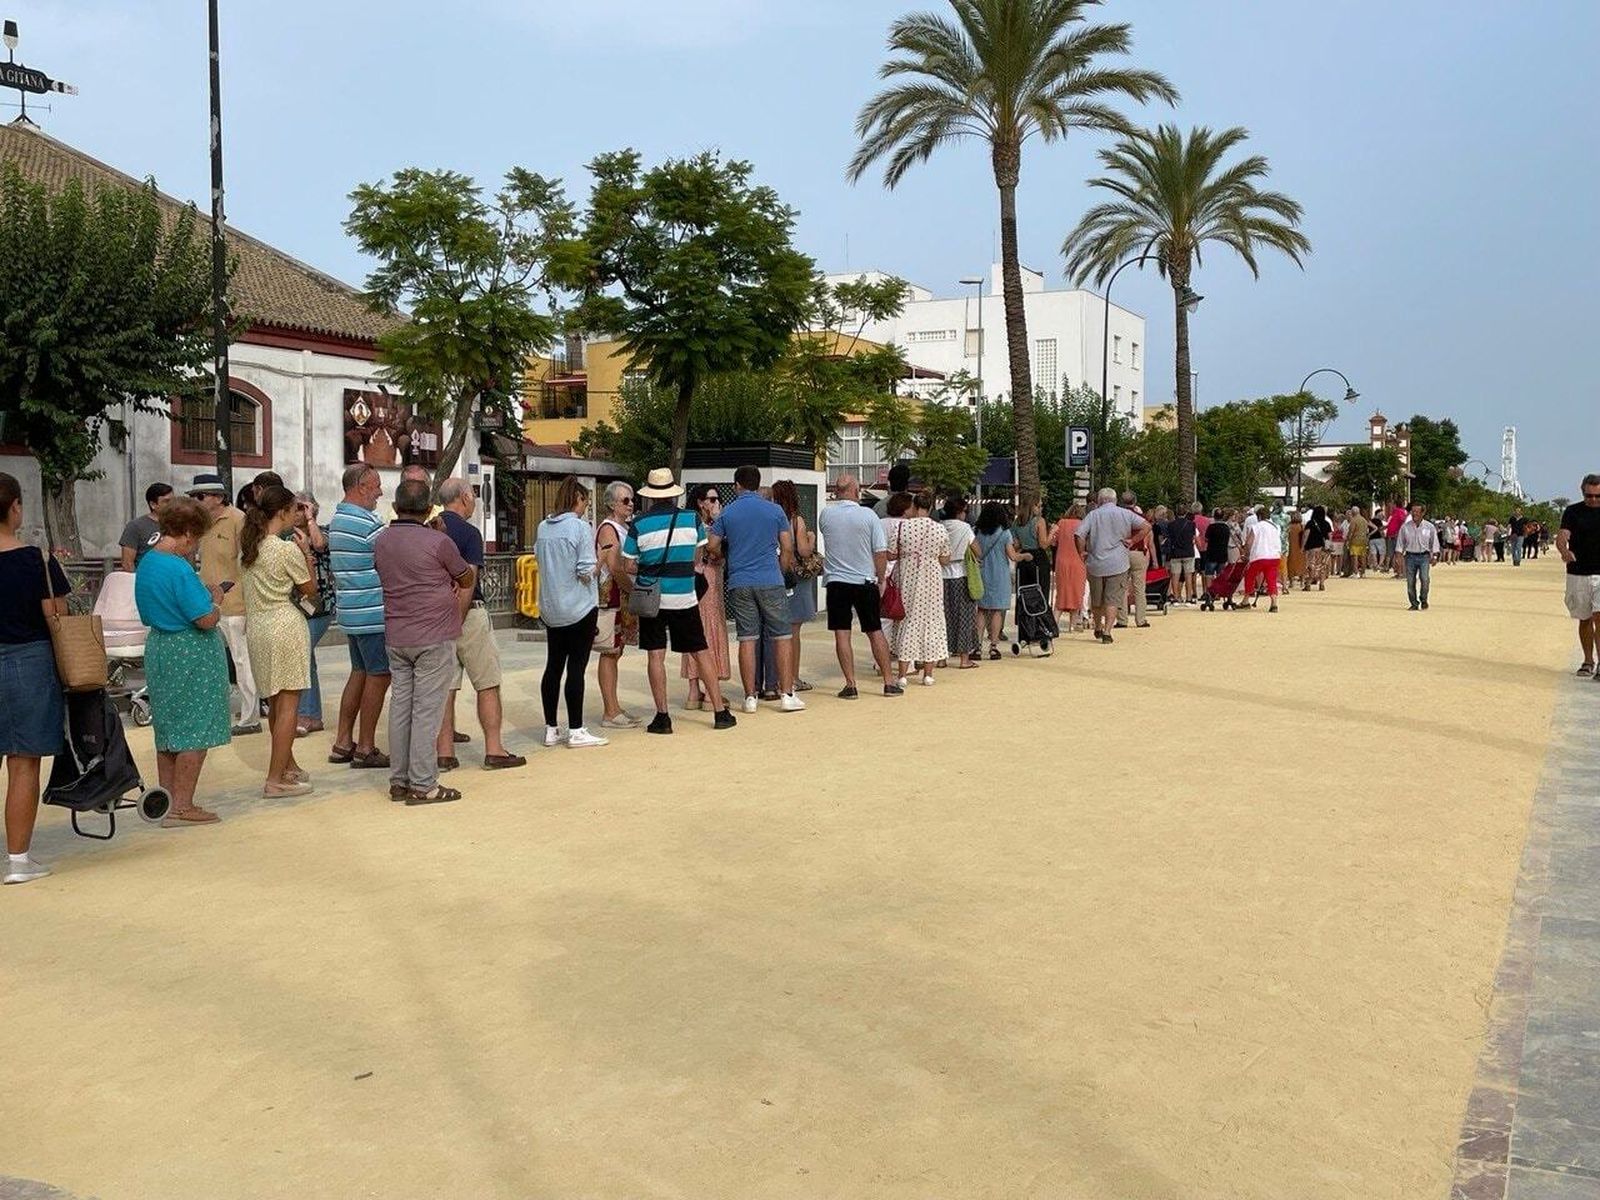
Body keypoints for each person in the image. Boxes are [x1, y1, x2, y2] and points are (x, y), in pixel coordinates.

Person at [374, 478, 476, 804]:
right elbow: (466, 576)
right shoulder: (438, 542)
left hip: (397, 634)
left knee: (401, 707)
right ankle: (423, 784)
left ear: (395, 506)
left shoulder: (382, 541)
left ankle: (399, 780)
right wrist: (442, 538)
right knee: (426, 712)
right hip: (433, 634)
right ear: (428, 508)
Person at [134, 496, 231, 829]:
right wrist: (216, 601)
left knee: (169, 727)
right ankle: (183, 805)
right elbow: (204, 618)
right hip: (190, 650)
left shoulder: (148, 561)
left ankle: (168, 801)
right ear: (189, 533)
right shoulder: (178, 567)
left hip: (160, 646)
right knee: (195, 728)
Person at [625, 468, 735, 732]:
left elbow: (628, 565)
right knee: (700, 650)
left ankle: (662, 717)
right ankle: (719, 711)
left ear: (650, 496)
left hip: (652, 598)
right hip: (684, 597)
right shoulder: (690, 519)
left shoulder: (639, 524)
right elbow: (698, 557)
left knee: (656, 655)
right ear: (674, 495)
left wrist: (651, 568)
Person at [0, 473, 70, 882]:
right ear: (16, 508)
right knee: (23, 763)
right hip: (29, 659)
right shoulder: (36, 559)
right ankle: (18, 861)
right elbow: (56, 615)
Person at [434, 478, 525, 771]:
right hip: (467, 615)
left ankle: (444, 752)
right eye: (472, 495)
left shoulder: (431, 528)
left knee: (446, 688)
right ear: (463, 497)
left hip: (435, 615)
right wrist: (456, 622)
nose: (474, 501)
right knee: (487, 683)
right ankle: (494, 749)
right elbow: (467, 582)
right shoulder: (469, 533)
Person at [239, 485, 317, 798]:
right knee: (288, 707)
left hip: (258, 626)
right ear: (283, 512)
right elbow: (309, 589)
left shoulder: (250, 547)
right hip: (284, 625)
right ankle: (275, 778)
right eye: (295, 509)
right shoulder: (284, 549)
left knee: (275, 701)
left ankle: (287, 765)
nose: (299, 514)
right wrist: (306, 553)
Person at [710, 465, 800, 713]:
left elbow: (713, 544)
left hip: (740, 581)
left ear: (737, 485)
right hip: (770, 578)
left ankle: (750, 697)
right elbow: (788, 547)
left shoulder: (728, 512)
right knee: (781, 635)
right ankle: (787, 694)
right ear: (758, 484)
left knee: (747, 638)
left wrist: (726, 557)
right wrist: (780, 572)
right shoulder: (774, 510)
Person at [533, 476, 608, 747]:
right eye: (586, 502)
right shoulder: (579, 527)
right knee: (576, 667)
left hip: (552, 607)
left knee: (553, 665)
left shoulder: (543, 527)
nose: (586, 508)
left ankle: (551, 728)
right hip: (579, 607)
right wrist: (601, 559)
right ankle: (576, 728)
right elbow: (586, 572)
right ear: (578, 500)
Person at [327, 464, 391, 770]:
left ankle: (343, 741)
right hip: (373, 612)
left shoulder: (338, 518)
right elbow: (392, 555)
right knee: (379, 675)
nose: (380, 492)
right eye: (376, 485)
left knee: (359, 672)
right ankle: (366, 746)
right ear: (361, 486)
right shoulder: (366, 523)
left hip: (352, 611)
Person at [188, 472, 259, 735]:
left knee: (242, 661)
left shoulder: (239, 520)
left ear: (218, 497)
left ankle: (250, 718)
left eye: (200, 496)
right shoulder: (201, 524)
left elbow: (249, 561)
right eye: (193, 496)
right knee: (211, 662)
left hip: (235, 603)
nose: (196, 500)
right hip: (207, 604)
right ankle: (220, 711)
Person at [820, 475, 898, 697]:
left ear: (836, 491)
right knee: (875, 630)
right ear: (855, 490)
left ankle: (851, 684)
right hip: (864, 580)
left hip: (836, 581)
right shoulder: (869, 515)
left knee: (842, 634)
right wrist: (881, 578)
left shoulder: (826, 515)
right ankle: (888, 681)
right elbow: (880, 552)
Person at [593, 481, 641, 730]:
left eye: (632, 499)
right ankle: (610, 711)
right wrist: (633, 592)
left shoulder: (625, 527)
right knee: (610, 651)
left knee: (617, 650)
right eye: (625, 500)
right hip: (613, 594)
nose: (631, 503)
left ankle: (614, 706)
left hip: (621, 594)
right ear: (612, 503)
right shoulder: (609, 528)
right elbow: (614, 565)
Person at [890, 490, 950, 686]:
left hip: (907, 576)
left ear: (914, 506)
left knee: (907, 620)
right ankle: (928, 674)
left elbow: (892, 554)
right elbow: (945, 558)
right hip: (931, 577)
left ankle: (902, 675)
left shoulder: (902, 528)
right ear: (931, 507)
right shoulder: (939, 529)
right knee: (932, 622)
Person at [682, 484, 732, 709]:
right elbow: (715, 552)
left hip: (692, 581)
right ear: (700, 502)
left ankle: (694, 692)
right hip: (708, 581)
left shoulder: (687, 523)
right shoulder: (706, 526)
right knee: (710, 630)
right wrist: (718, 522)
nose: (716, 503)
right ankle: (713, 694)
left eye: (717, 499)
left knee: (695, 629)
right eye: (711, 499)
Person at [1076, 488, 1148, 644]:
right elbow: (1146, 526)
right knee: (1112, 599)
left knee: (1096, 599)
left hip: (1096, 563)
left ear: (1100, 500)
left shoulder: (1093, 515)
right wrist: (1133, 540)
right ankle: (1107, 631)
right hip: (1118, 563)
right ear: (1115, 500)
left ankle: (1097, 626)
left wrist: (1081, 552)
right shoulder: (1125, 514)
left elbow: (1080, 534)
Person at [292, 493, 335, 737]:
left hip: (320, 604)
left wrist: (310, 520)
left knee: (304, 653)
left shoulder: (323, 530)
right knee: (306, 657)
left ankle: (308, 714)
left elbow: (320, 545)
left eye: (301, 507)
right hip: (297, 604)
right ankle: (310, 713)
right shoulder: (287, 534)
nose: (296, 511)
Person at [771, 480, 819, 692]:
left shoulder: (770, 518)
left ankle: (776, 677)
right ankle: (792, 677)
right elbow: (804, 551)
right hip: (796, 579)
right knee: (794, 631)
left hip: (775, 574)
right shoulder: (796, 521)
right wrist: (811, 537)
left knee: (777, 630)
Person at [1557, 475, 1600, 679]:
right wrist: (1564, 551)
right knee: (1584, 619)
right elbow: (1563, 536)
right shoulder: (1572, 512)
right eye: (1588, 495)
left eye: (1597, 496)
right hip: (1578, 572)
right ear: (1582, 492)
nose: (1593, 500)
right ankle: (1588, 661)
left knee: (1599, 617)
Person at [973, 501, 1028, 658]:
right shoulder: (1005, 533)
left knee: (981, 611)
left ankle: (977, 646)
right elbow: (1012, 556)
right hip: (1000, 575)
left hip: (982, 574)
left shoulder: (977, 531)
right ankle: (994, 646)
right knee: (997, 611)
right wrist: (1024, 555)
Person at [938, 494, 981, 669]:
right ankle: (964, 658)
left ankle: (941, 657)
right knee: (964, 617)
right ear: (960, 511)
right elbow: (977, 550)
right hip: (961, 576)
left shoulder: (940, 526)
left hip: (941, 577)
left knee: (943, 617)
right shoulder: (965, 528)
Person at [1395, 501, 1441, 610]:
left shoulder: (1429, 527)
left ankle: (1423, 599)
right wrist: (1398, 557)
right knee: (1410, 581)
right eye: (1412, 511)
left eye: (1417, 511)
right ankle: (1414, 603)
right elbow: (1400, 543)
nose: (1414, 513)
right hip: (1410, 556)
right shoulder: (1405, 527)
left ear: (1422, 513)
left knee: (1425, 579)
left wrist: (1434, 557)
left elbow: (1434, 543)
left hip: (1424, 557)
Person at [117, 482, 173, 571]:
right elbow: (127, 563)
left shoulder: (178, 525)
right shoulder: (136, 526)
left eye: (173, 501)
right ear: (153, 504)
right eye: (166, 501)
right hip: (147, 580)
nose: (171, 505)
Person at [1052, 502, 1089, 631]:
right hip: (1077, 561)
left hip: (1061, 562)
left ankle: (1054, 623)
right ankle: (1072, 625)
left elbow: (1053, 541)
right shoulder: (1082, 525)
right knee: (1076, 592)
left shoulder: (1061, 523)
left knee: (1061, 593)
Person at [1241, 505, 1283, 612]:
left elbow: (1249, 542)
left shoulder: (1256, 527)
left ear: (1259, 516)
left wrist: (1246, 554)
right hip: (1274, 556)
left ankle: (1246, 599)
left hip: (1259, 556)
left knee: (1250, 575)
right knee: (1271, 579)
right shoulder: (1276, 527)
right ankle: (1274, 603)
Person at [1121, 492, 1154, 627]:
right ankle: (1140, 619)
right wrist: (1135, 540)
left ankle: (1121, 619)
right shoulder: (1139, 517)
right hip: (1137, 552)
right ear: (1135, 501)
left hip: (1121, 553)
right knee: (1139, 588)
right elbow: (1148, 528)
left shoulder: (1119, 517)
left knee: (1121, 588)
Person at [1012, 497, 1051, 604]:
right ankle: (1039, 617)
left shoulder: (1017, 522)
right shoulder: (1040, 521)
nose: (1041, 508)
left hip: (1023, 557)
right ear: (1032, 506)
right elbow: (1043, 544)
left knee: (1024, 591)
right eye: (1038, 506)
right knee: (1040, 591)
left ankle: (1024, 617)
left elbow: (1016, 545)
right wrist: (1052, 532)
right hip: (1038, 558)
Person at [1164, 502, 1199, 604]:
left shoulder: (1171, 525)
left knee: (1175, 576)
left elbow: (1169, 538)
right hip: (1188, 552)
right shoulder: (1191, 524)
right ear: (1186, 513)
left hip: (1175, 552)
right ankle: (1188, 597)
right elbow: (1193, 538)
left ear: (1176, 512)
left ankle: (1175, 597)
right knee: (1188, 576)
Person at [1301, 505, 1333, 591]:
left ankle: (1308, 584)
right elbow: (1330, 536)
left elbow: (1305, 535)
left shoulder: (1310, 523)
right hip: (1323, 548)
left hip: (1312, 547)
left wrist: (1302, 546)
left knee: (1311, 566)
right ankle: (1321, 584)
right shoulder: (1327, 524)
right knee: (1322, 566)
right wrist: (1328, 545)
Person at [1202, 507, 1233, 594]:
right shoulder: (1226, 528)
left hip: (1212, 554)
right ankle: (1219, 592)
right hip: (1223, 554)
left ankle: (1209, 593)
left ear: (1214, 517)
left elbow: (1206, 539)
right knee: (1220, 575)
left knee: (1209, 574)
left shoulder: (1211, 527)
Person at [1346, 507, 1370, 580]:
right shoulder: (1364, 520)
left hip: (1355, 540)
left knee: (1355, 556)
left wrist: (1348, 540)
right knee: (1363, 557)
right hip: (1363, 540)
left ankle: (1355, 573)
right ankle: (1363, 573)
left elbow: (1351, 532)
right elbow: (1366, 531)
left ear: (1353, 512)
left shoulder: (1354, 520)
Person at [1285, 509, 1306, 588]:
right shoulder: (1302, 526)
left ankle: (1291, 582)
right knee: (1302, 564)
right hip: (1300, 547)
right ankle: (1302, 581)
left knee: (1290, 564)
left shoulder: (1289, 527)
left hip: (1291, 547)